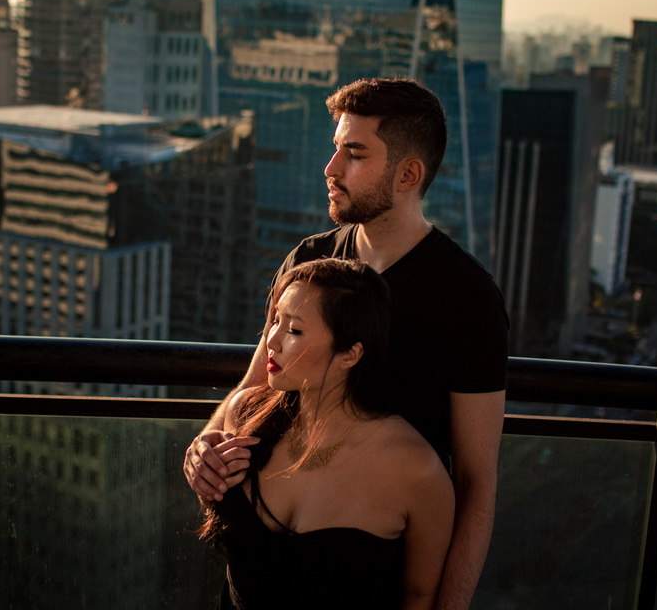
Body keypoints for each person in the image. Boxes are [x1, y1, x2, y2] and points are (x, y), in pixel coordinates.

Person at [186, 77, 508, 610]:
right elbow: (253, 388)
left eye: (353, 154)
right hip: (261, 561)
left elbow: (477, 483)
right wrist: (206, 445)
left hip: (365, 572)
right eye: (335, 148)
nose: (330, 169)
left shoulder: (466, 299)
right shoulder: (309, 260)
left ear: (408, 174)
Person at [200, 257, 454, 609]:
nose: (271, 341)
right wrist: (201, 465)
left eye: (294, 330)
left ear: (350, 354)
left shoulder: (416, 468)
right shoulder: (244, 414)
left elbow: (420, 597)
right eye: (275, 320)